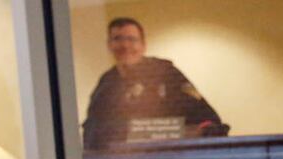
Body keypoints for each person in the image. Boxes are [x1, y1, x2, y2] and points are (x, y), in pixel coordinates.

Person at [82, 18, 224, 151]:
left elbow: (205, 116)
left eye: (131, 39)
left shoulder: (165, 72)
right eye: (117, 39)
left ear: (143, 45)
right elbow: (92, 128)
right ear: (109, 45)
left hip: (168, 155)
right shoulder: (106, 83)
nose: (125, 45)